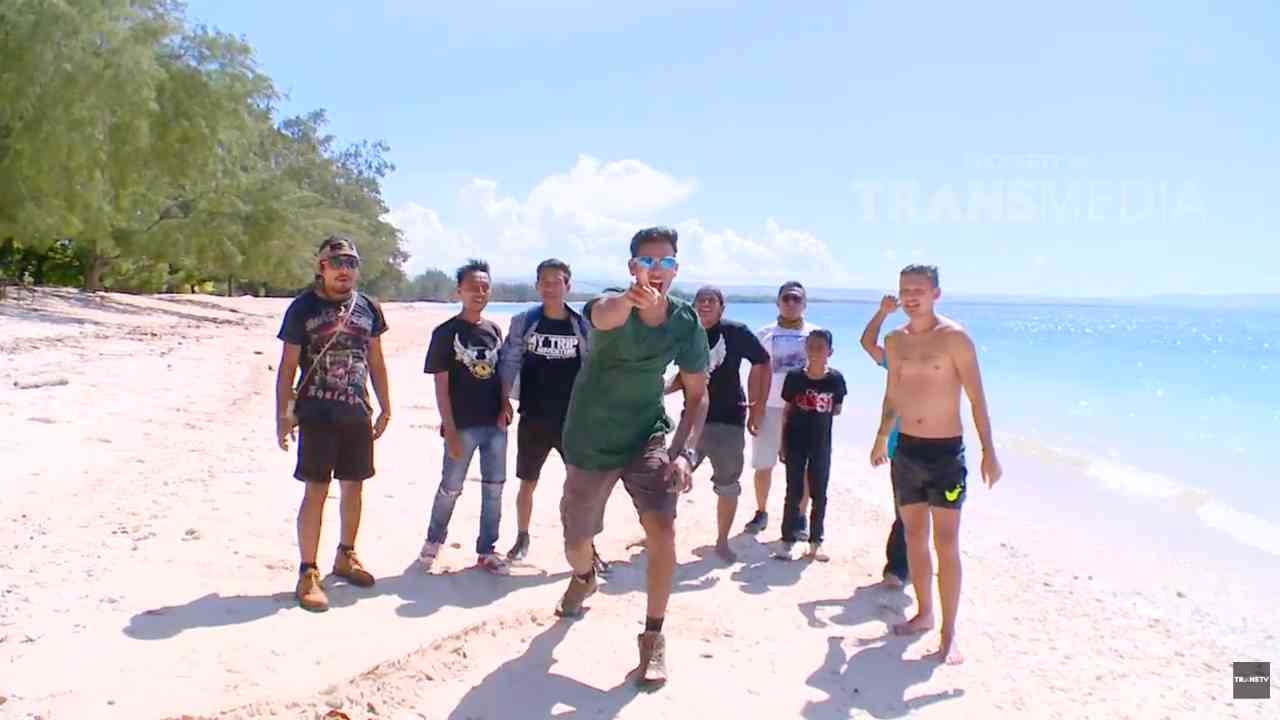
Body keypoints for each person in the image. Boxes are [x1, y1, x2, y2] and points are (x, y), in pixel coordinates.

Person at [555, 226, 710, 689]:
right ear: (632, 267)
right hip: (589, 438)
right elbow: (603, 317)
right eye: (647, 261)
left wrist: (684, 453)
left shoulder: (685, 322)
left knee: (662, 528)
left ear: (676, 270)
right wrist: (629, 299)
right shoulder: (609, 303)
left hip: (647, 436)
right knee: (575, 540)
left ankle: (654, 637)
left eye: (665, 263)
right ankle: (584, 576)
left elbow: (698, 396)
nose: (656, 271)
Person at [870, 264, 1002, 665]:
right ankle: (924, 614)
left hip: (946, 453)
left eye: (919, 290)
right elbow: (893, 394)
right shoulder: (895, 340)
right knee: (913, 538)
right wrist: (880, 437)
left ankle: (949, 634)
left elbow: (977, 397)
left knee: (946, 544)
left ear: (936, 294)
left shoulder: (955, 338)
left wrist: (988, 451)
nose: (911, 297)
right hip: (906, 450)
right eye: (905, 290)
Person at [274, 235, 391, 612]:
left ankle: (346, 555)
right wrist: (282, 415)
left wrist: (386, 405)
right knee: (316, 490)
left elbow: (375, 360)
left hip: (357, 412)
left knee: (354, 487)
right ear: (320, 267)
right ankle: (308, 571)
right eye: (336, 262)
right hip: (316, 414)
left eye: (351, 263)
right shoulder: (302, 308)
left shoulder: (368, 307)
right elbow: (288, 366)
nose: (345, 269)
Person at [497, 258, 603, 571]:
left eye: (557, 281)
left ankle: (587, 546)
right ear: (537, 285)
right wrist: (503, 400)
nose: (551, 287)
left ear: (568, 287)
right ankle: (522, 536)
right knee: (527, 482)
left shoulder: (583, 325)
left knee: (580, 487)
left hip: (574, 420)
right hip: (533, 416)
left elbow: (594, 368)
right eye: (545, 281)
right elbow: (509, 362)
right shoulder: (523, 321)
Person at [665, 286, 771, 562]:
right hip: (691, 419)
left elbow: (762, 362)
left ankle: (722, 541)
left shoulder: (736, 332)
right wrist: (662, 389)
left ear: (722, 307)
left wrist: (757, 407)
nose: (705, 304)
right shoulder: (687, 334)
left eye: (712, 301)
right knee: (669, 476)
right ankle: (662, 532)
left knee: (727, 485)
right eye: (700, 300)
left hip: (729, 421)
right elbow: (685, 375)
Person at [419, 259, 510, 575]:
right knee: (450, 487)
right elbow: (441, 385)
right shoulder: (445, 333)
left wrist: (504, 406)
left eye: (485, 287)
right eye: (473, 287)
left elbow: (501, 374)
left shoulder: (494, 330)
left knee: (494, 488)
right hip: (462, 425)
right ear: (460, 290)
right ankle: (433, 541)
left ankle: (487, 550)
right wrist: (451, 429)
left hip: (495, 425)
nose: (479, 292)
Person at [744, 281, 822, 537]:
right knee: (763, 463)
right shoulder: (763, 334)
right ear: (778, 302)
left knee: (804, 467)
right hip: (770, 408)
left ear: (805, 304)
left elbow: (823, 373)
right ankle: (761, 511)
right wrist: (753, 407)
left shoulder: (816, 334)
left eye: (796, 299)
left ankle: (800, 517)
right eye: (786, 298)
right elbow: (755, 372)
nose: (791, 303)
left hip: (805, 411)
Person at [776, 329, 846, 561]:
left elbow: (836, 410)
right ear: (805, 348)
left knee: (820, 493)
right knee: (793, 490)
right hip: (795, 440)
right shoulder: (795, 377)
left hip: (821, 443)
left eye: (821, 347)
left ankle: (816, 543)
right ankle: (787, 540)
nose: (815, 351)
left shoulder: (835, 379)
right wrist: (782, 443)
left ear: (830, 352)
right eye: (812, 346)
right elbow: (786, 412)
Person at [860, 294, 908, 589]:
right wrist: (882, 313)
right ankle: (897, 568)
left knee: (924, 511)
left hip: (934, 441)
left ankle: (910, 564)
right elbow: (867, 343)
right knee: (904, 510)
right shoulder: (897, 356)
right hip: (900, 442)